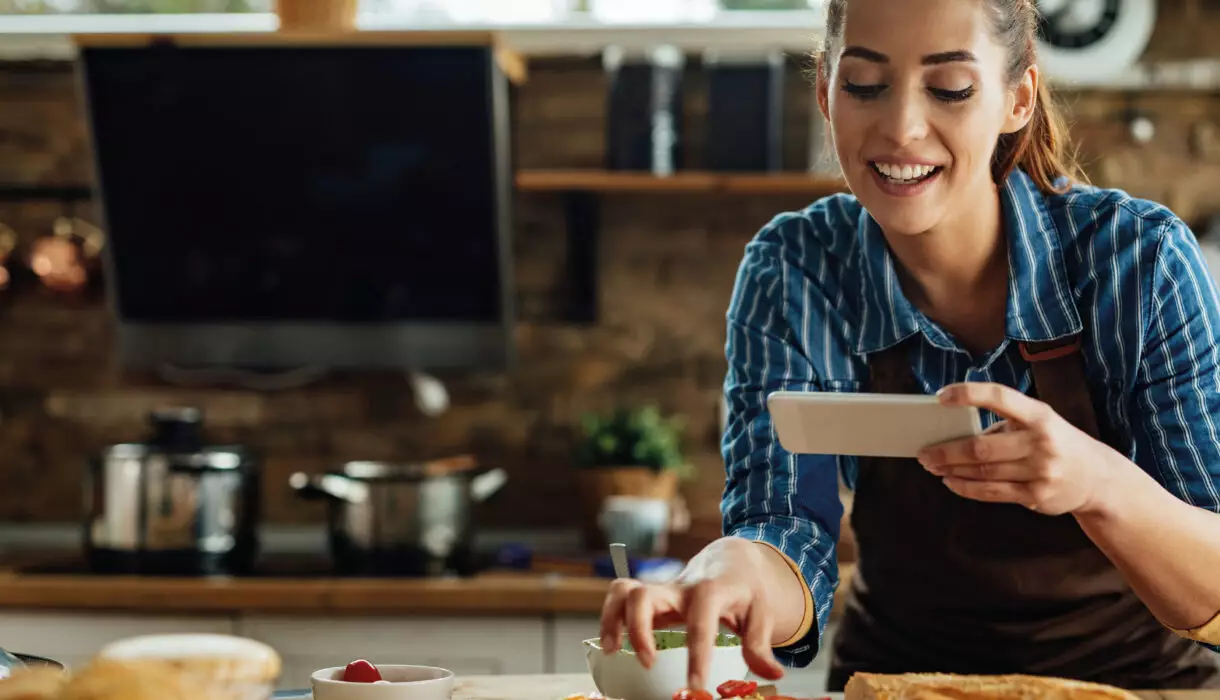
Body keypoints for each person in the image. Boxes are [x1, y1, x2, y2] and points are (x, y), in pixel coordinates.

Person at [598, 0, 1220, 693]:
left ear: (1018, 99)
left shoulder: (1138, 260)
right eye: (864, 86)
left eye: (949, 89)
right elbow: (784, 526)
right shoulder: (794, 268)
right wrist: (729, 570)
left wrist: (1097, 483)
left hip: (1133, 684)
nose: (900, 128)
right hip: (897, 683)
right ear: (825, 95)